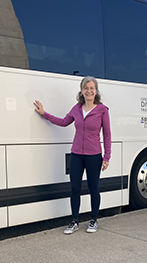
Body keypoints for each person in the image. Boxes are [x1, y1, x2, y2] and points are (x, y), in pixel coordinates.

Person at [33, 76, 111, 234]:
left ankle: (93, 220)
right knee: (74, 188)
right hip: (76, 155)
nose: (89, 91)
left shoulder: (102, 110)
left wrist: (106, 157)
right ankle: (74, 221)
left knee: (93, 188)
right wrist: (44, 114)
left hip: (94, 155)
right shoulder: (77, 108)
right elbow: (63, 122)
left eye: (92, 88)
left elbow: (107, 134)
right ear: (81, 91)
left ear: (96, 91)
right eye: (86, 88)